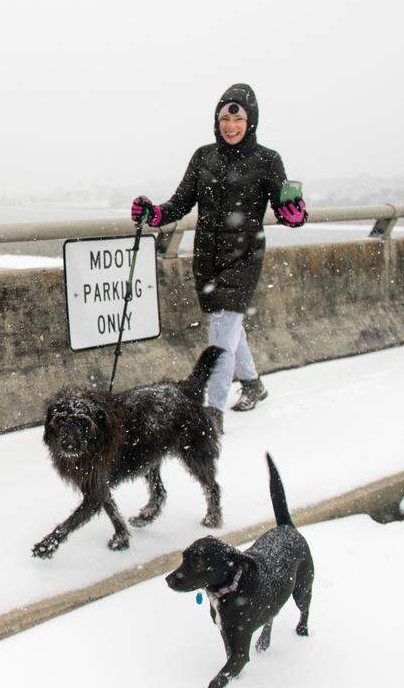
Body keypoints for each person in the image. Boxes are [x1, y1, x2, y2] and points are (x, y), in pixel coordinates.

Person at [131, 83, 308, 432]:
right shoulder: (203, 157)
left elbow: (289, 212)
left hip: (244, 257)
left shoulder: (267, 160)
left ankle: (212, 414)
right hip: (207, 258)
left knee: (221, 332)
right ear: (217, 120)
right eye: (225, 119)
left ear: (250, 120)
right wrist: (152, 215)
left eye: (238, 118)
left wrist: (294, 213)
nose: (231, 127)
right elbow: (179, 204)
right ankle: (253, 383)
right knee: (229, 327)